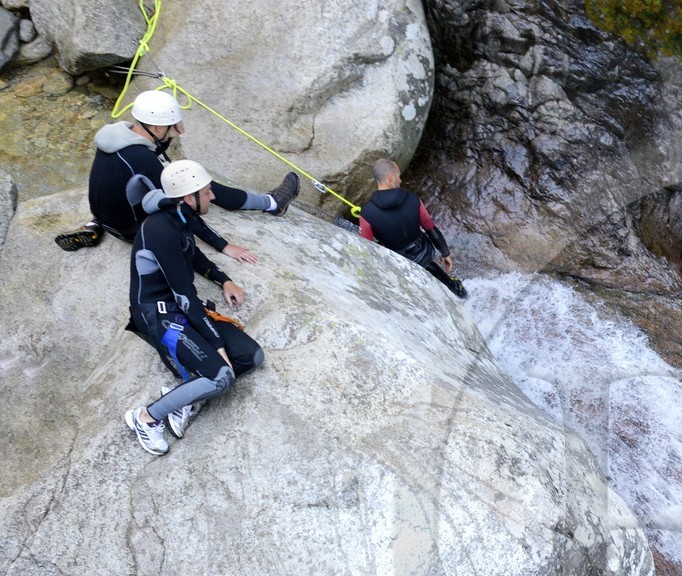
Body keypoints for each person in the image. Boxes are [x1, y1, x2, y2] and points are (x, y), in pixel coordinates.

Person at [123, 160, 265, 456]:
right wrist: (216, 344)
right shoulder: (160, 229)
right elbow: (184, 295)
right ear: (190, 197)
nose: (213, 196)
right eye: (207, 191)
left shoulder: (180, 215)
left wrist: (222, 279)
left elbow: (192, 252)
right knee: (221, 376)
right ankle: (146, 418)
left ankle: (182, 396)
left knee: (252, 356)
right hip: (158, 314)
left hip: (182, 307)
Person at [56, 89, 299, 252]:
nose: (174, 129)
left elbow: (148, 149)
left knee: (119, 182)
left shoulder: (114, 133)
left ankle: (93, 228)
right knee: (199, 184)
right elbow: (181, 206)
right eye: (169, 126)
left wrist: (168, 136)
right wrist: (223, 245)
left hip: (101, 215)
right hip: (129, 229)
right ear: (157, 127)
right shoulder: (141, 159)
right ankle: (271, 203)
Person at [358, 158, 467, 299]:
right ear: (390, 178)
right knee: (438, 274)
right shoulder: (412, 199)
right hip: (425, 254)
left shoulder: (367, 213)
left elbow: (365, 247)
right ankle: (459, 292)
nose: (400, 180)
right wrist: (445, 254)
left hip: (400, 263)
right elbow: (430, 228)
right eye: (398, 176)